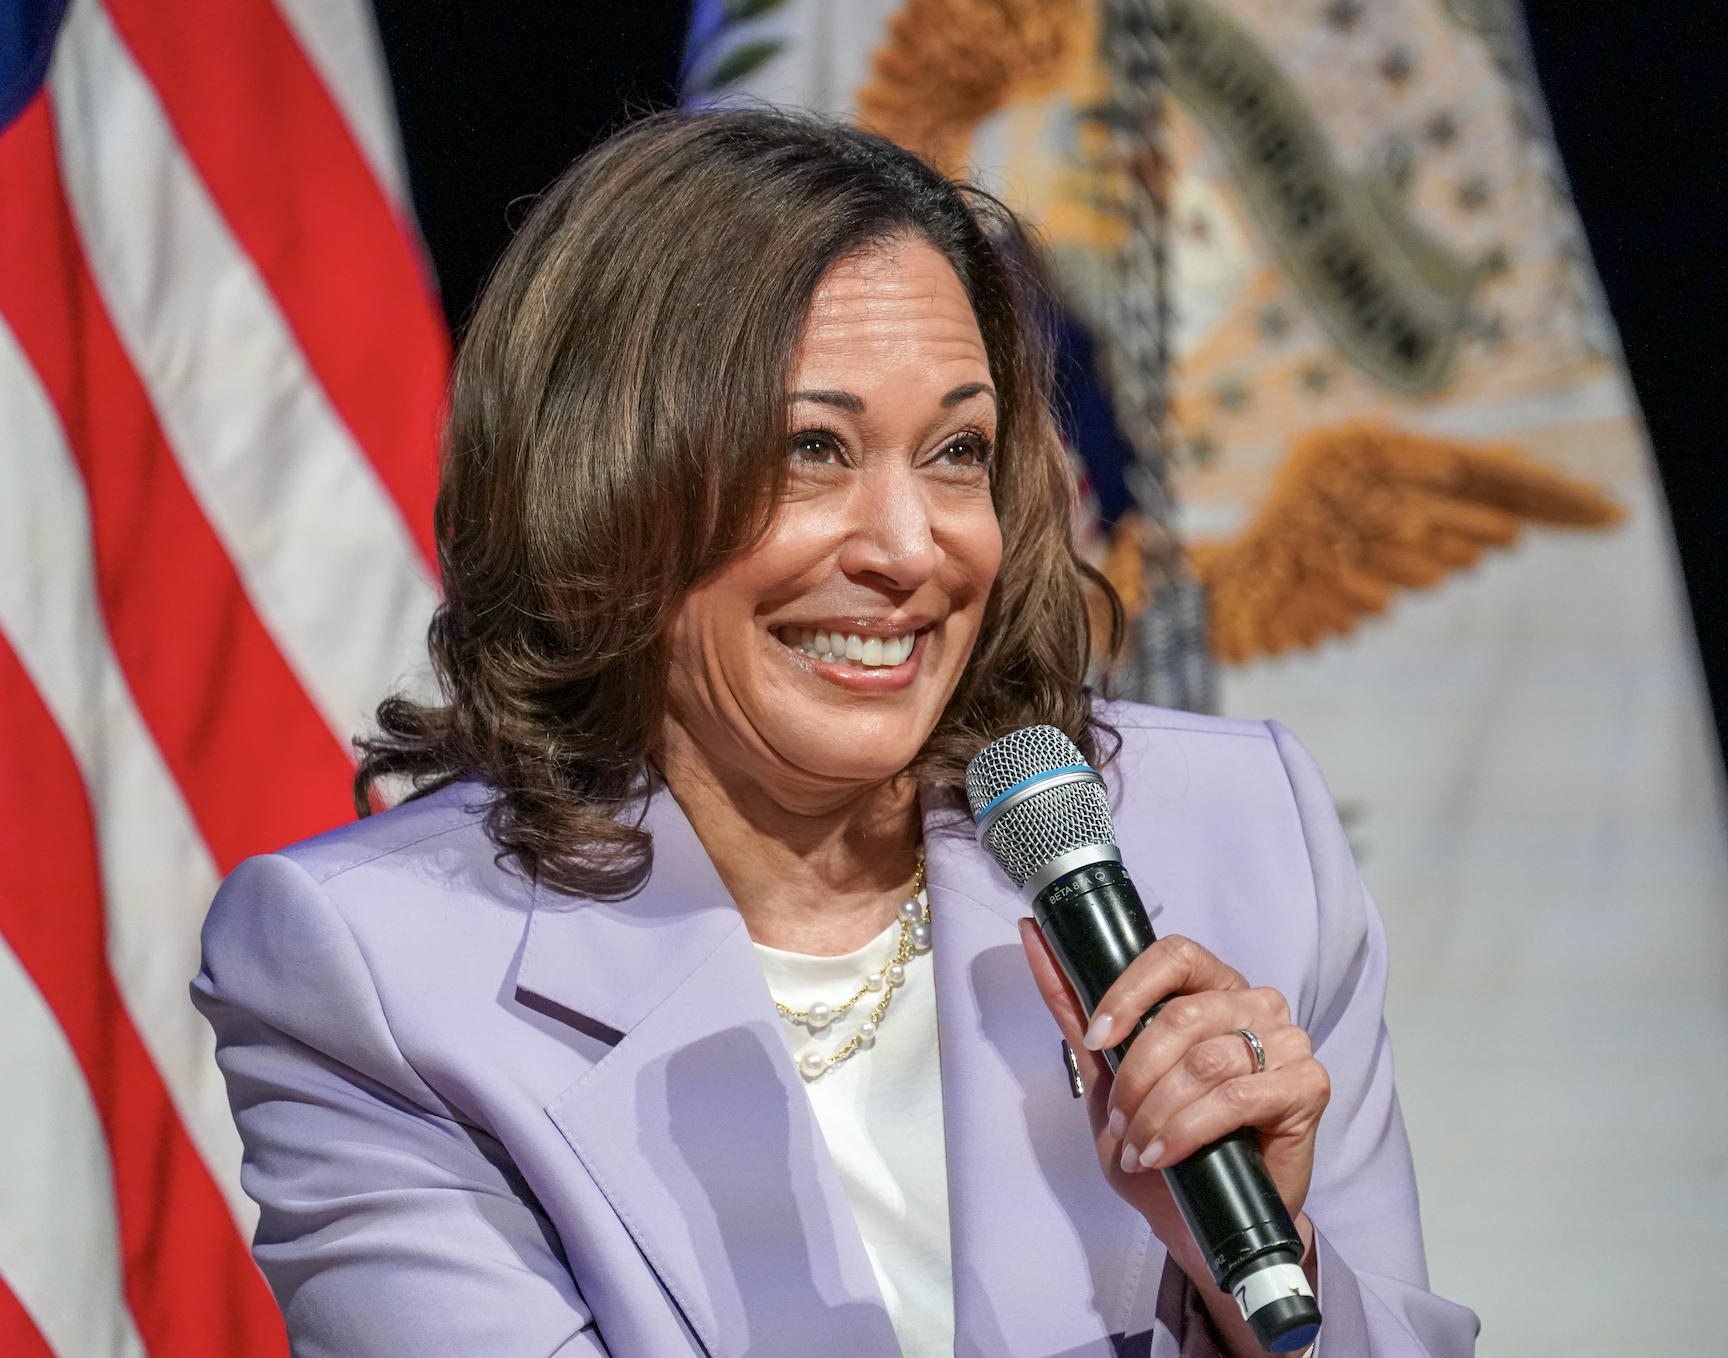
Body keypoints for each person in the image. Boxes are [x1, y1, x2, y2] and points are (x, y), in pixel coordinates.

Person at [193, 108, 1477, 1358]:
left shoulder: (1239, 833)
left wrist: (1260, 1291)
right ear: (606, 480)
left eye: (958, 450)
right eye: (814, 447)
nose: (913, 548)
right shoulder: (374, 970)